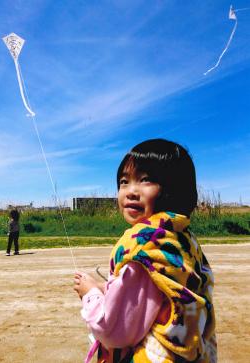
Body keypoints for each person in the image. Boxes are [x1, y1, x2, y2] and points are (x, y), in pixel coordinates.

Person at [74, 139, 217, 363]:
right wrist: (108, 287)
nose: (131, 191)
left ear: (174, 189)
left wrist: (90, 294)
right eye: (124, 181)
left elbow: (113, 331)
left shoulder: (143, 250)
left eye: (146, 180)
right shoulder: (180, 239)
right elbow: (155, 293)